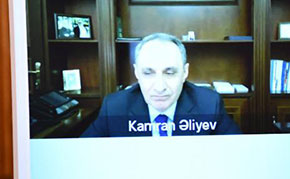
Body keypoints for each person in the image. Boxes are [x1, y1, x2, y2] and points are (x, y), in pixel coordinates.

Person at [83, 33, 241, 137]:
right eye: (148, 73)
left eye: (170, 73)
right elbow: (85, 155)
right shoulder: (114, 107)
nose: (159, 87)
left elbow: (237, 153)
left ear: (185, 72)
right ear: (136, 72)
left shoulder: (209, 104)